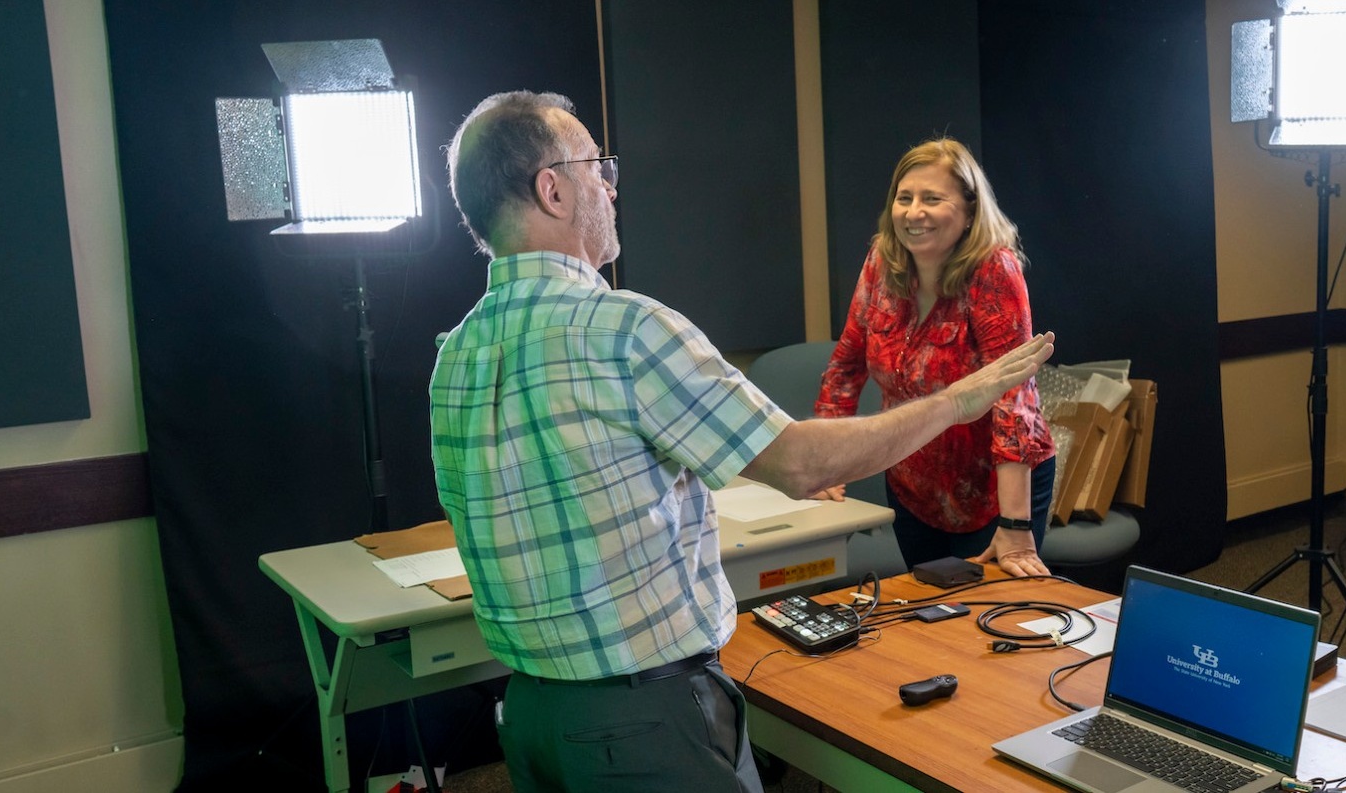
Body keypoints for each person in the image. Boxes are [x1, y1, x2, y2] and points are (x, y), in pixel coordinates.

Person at [429, 92, 1054, 793]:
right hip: (644, 720)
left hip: (531, 716)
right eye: (598, 167)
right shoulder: (625, 331)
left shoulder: (456, 352)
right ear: (552, 189)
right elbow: (799, 463)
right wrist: (958, 400)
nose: (611, 186)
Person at [813, 138, 1056, 578]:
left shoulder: (993, 270)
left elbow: (1013, 399)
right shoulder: (881, 262)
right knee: (928, 608)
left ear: (969, 210)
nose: (913, 212)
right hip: (912, 485)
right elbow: (846, 365)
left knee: (990, 606)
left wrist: (1016, 525)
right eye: (904, 198)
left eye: (932, 199)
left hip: (994, 491)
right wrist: (823, 467)